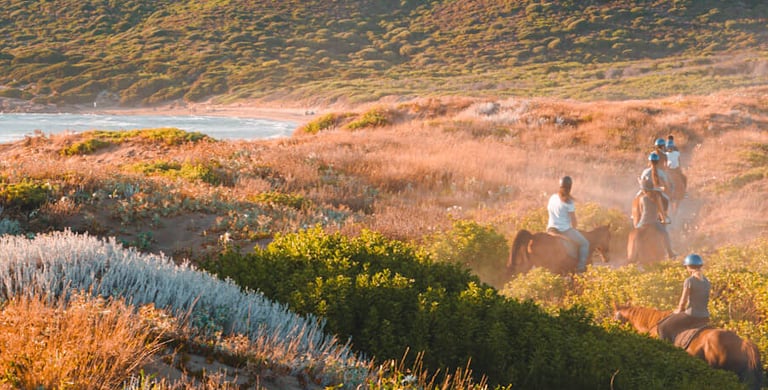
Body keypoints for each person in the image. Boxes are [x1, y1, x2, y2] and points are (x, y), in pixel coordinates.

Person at [657, 254, 711, 343]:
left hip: (691, 315)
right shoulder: (706, 281)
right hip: (705, 317)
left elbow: (683, 301)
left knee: (663, 327)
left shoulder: (689, 280)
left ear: (689, 267)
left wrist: (679, 310)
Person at [547, 176, 589, 273]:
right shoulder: (569, 202)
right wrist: (574, 228)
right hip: (564, 230)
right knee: (585, 243)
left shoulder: (553, 197)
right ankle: (580, 268)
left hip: (550, 229)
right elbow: (573, 222)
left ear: (560, 185)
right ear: (570, 187)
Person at [632, 178, 676, 259]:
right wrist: (663, 220)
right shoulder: (657, 198)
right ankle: (670, 253)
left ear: (644, 190)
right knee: (665, 234)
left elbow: (642, 212)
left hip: (642, 223)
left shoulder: (642, 198)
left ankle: (634, 256)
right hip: (654, 222)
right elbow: (661, 211)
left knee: (635, 234)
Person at [637, 152, 672, 223]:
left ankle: (635, 215)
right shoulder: (661, 173)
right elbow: (666, 186)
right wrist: (663, 188)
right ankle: (664, 216)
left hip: (645, 190)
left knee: (637, 197)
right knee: (667, 200)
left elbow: (642, 183)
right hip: (657, 191)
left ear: (649, 161)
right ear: (658, 162)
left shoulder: (645, 171)